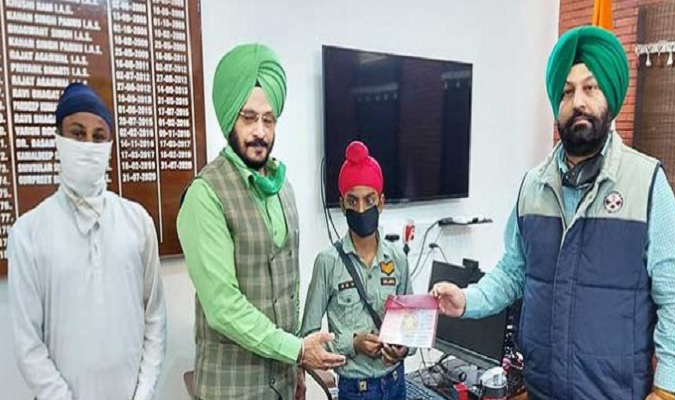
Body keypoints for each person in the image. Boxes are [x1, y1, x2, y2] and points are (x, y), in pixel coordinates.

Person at [431, 26, 675, 400]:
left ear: (609, 95)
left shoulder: (647, 183)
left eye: (590, 88)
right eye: (568, 91)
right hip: (542, 389)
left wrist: (667, 388)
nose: (579, 102)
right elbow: (513, 272)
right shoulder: (532, 187)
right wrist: (468, 300)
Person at [177, 43, 345, 400]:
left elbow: (289, 285)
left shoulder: (283, 188)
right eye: (248, 117)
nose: (260, 132)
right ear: (229, 120)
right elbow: (224, 308)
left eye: (268, 119)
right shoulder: (205, 196)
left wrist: (296, 366)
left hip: (283, 385)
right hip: (231, 391)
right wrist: (298, 350)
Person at [8, 82, 167, 400]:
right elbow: (28, 344)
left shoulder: (137, 222)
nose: (88, 145)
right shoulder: (28, 233)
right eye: (77, 134)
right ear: (59, 140)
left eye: (98, 136)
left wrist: (145, 390)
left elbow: (156, 319)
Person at [301, 140, 413, 400]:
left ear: (381, 203)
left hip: (397, 383)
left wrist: (402, 348)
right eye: (353, 201)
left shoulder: (398, 259)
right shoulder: (327, 262)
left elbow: (411, 325)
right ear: (342, 205)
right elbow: (308, 337)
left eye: (369, 200)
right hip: (356, 389)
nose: (361, 209)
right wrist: (352, 344)